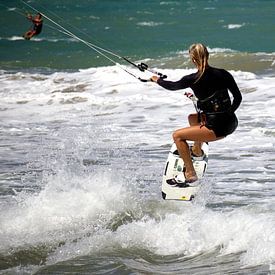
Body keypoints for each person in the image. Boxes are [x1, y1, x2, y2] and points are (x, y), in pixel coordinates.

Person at [151, 43, 242, 185]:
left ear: (193, 59)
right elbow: (238, 98)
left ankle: (190, 173)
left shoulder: (192, 78)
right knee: (192, 118)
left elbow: (172, 86)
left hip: (216, 129)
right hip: (231, 123)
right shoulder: (223, 74)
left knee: (177, 136)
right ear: (208, 55)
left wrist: (157, 80)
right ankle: (197, 151)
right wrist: (227, 113)